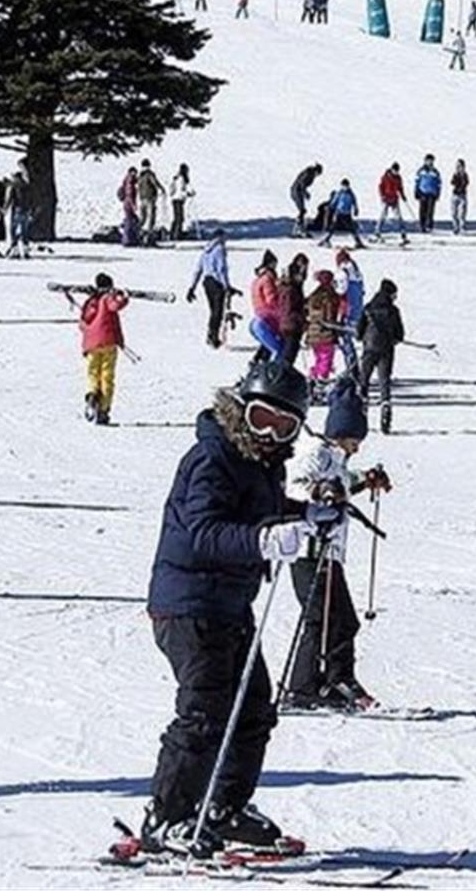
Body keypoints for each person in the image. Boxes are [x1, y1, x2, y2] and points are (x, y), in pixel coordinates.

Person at [140, 360, 336, 857]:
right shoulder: (212, 457)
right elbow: (204, 531)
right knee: (204, 714)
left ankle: (224, 807)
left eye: (283, 425)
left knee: (251, 712)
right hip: (188, 605)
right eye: (261, 418)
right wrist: (265, 538)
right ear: (240, 409)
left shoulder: (257, 463)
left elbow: (252, 511)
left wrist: (303, 516)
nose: (269, 433)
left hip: (228, 606)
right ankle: (168, 817)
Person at [285, 378, 388, 711]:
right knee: (329, 619)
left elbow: (339, 485)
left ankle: (312, 684)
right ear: (341, 432)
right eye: (355, 439)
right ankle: (329, 681)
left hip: (327, 552)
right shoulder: (315, 452)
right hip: (310, 551)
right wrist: (318, 491)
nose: (357, 447)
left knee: (331, 618)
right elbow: (292, 486)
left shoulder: (335, 457)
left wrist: (363, 480)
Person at [80, 273, 128, 425]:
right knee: (107, 377)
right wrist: (124, 297)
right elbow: (116, 306)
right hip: (108, 342)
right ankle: (103, 410)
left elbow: (82, 323)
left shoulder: (90, 301)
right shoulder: (108, 299)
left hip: (91, 344)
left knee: (93, 373)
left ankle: (92, 393)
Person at [357, 279, 405, 428]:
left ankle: (362, 409)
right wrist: (395, 339)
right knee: (384, 380)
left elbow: (359, 331)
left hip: (369, 349)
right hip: (386, 350)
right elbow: (400, 334)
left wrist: (362, 337)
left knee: (364, 380)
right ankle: (385, 404)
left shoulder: (368, 308)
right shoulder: (393, 311)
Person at [187, 229, 234, 348]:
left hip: (207, 282)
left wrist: (192, 287)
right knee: (218, 311)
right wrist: (227, 286)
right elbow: (221, 269)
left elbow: (198, 269)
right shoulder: (219, 249)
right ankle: (213, 336)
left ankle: (211, 334)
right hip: (216, 283)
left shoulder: (206, 250)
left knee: (213, 310)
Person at [305, 270, 344, 393]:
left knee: (319, 358)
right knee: (326, 359)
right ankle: (320, 383)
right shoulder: (330, 297)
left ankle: (313, 379)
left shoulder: (313, 296)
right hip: (325, 333)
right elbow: (329, 317)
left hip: (312, 333)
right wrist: (337, 328)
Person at [249, 251, 283, 362]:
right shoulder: (268, 279)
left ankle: (257, 364)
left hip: (258, 316)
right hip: (268, 317)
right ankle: (273, 373)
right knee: (278, 349)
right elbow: (271, 299)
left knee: (266, 348)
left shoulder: (258, 279)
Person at [276, 254, 309, 366]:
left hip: (290, 324)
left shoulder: (294, 287)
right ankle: (281, 376)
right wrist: (302, 320)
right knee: (288, 355)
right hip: (291, 325)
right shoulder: (290, 289)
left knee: (289, 354)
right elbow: (289, 309)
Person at [334, 249, 364, 372]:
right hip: (358, 309)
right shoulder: (356, 272)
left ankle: (352, 367)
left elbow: (340, 291)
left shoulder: (343, 272)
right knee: (350, 339)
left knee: (345, 340)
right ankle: (354, 367)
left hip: (347, 310)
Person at [323, 179, 364, 249]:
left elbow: (354, 202)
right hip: (339, 213)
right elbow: (335, 201)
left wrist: (356, 209)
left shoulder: (351, 194)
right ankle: (326, 240)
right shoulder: (339, 193)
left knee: (351, 228)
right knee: (333, 227)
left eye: (346, 186)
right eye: (343, 186)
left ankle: (358, 242)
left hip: (347, 214)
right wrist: (330, 207)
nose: (344, 187)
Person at [375, 162, 409, 245]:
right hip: (386, 199)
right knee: (383, 216)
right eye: (395, 170)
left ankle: (403, 233)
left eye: (397, 171)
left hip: (394, 199)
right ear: (392, 169)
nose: (396, 172)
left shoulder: (398, 178)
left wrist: (403, 196)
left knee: (399, 217)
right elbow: (381, 187)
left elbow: (400, 187)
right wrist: (382, 196)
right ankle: (377, 231)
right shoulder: (385, 176)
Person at [4, 168, 32, 258]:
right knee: (24, 231)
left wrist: (5, 208)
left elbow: (9, 199)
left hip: (17, 210)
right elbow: (31, 199)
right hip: (26, 210)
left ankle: (14, 250)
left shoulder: (13, 187)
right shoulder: (27, 186)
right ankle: (25, 250)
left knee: (13, 230)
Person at [290, 163, 322, 238]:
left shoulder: (310, 173)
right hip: (296, 191)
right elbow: (302, 183)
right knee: (302, 211)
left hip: (298, 191)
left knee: (302, 211)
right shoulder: (309, 173)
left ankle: (300, 229)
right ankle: (298, 230)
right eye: (318, 174)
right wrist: (305, 193)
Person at [138, 159, 165, 245]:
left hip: (142, 199)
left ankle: (139, 236)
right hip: (150, 198)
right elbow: (154, 182)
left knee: (143, 219)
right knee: (151, 219)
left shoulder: (140, 175)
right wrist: (162, 189)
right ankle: (148, 239)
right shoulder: (149, 174)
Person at [414, 154, 442, 234]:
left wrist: (438, 193)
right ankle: (422, 225)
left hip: (432, 193)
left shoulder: (435, 172)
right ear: (425, 161)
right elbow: (417, 181)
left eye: (431, 161)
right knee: (423, 210)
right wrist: (416, 191)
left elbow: (439, 183)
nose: (430, 162)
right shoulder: (421, 171)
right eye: (428, 160)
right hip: (423, 192)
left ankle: (429, 226)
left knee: (430, 210)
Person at [169, 163, 193, 241]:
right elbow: (181, 190)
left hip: (175, 199)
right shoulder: (181, 179)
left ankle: (173, 233)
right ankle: (176, 235)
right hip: (178, 199)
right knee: (179, 218)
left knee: (177, 217)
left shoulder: (176, 178)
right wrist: (188, 194)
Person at [118, 166, 140, 246]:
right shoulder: (130, 182)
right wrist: (133, 205)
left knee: (130, 220)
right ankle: (127, 240)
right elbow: (130, 195)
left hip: (126, 203)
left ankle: (129, 239)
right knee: (129, 222)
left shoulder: (127, 180)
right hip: (128, 204)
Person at [450, 159, 469, 235]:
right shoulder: (455, 175)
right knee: (454, 213)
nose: (459, 168)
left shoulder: (465, 175)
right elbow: (452, 182)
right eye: (457, 166)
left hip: (462, 195)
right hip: (455, 195)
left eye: (460, 166)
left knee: (462, 213)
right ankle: (455, 227)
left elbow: (466, 183)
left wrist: (461, 177)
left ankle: (462, 227)